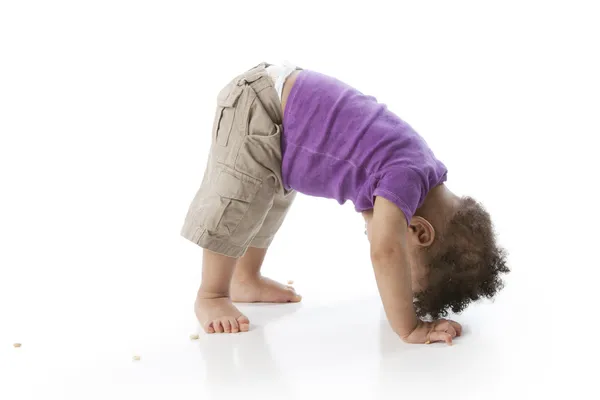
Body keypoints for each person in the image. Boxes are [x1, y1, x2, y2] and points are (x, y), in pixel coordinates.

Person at [181, 62, 509, 345]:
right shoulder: (405, 178)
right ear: (419, 232)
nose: (397, 283)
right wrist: (408, 326)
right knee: (237, 200)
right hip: (261, 107)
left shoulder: (420, 169)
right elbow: (385, 250)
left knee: (263, 206)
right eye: (407, 276)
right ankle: (212, 294)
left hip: (283, 134)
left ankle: (245, 278)